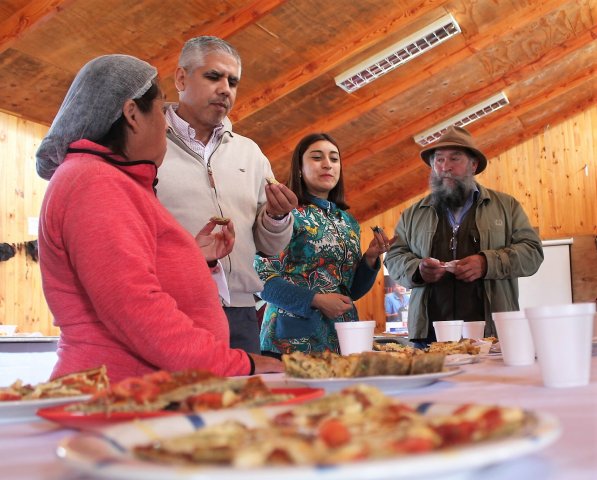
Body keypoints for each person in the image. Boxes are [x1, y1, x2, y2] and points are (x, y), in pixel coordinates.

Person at [35, 54, 282, 382]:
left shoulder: (111, 179)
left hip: (146, 385)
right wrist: (234, 364)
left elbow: (126, 275)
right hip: (120, 389)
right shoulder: (94, 181)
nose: (165, 124)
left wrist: (193, 258)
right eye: (159, 109)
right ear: (132, 114)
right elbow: (133, 306)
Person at [156, 36, 298, 354]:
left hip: (241, 311)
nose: (225, 89)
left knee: (246, 389)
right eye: (213, 76)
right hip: (173, 308)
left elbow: (271, 246)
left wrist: (277, 216)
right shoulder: (149, 144)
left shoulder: (250, 153)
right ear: (180, 78)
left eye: (233, 82)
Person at [384, 126, 543, 347]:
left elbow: (532, 253)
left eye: (455, 159)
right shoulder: (413, 214)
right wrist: (418, 270)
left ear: (473, 164)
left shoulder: (507, 207)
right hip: (428, 337)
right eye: (439, 160)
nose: (445, 167)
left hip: (491, 336)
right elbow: (394, 257)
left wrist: (486, 263)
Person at [254, 133, 391, 356]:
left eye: (334, 159)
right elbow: (260, 280)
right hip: (291, 345)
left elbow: (350, 292)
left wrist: (370, 259)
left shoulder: (348, 222)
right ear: (299, 168)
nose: (327, 164)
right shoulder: (285, 215)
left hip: (341, 340)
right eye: (317, 158)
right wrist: (315, 300)